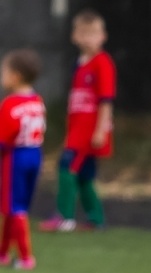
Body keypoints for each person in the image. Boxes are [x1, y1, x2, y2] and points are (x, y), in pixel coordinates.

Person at [41, 9, 115, 233]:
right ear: (74, 36)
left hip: (89, 131)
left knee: (66, 167)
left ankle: (64, 217)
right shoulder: (80, 63)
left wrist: (100, 130)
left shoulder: (102, 63)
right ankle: (96, 220)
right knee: (84, 175)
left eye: (93, 33)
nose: (88, 39)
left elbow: (106, 101)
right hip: (77, 129)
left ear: (103, 36)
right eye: (83, 33)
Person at [0, 49, 45, 270]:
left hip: (15, 158)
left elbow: (3, 138)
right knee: (13, 206)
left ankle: (26, 258)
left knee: (15, 207)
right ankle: (3, 253)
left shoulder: (10, 104)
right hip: (35, 154)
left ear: (16, 75)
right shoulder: (37, 100)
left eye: (4, 71)